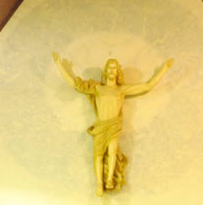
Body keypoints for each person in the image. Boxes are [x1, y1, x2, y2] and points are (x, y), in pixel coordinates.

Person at [52, 52, 174, 196]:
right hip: (101, 126)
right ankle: (99, 183)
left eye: (114, 69)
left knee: (112, 151)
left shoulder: (120, 90)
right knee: (97, 155)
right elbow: (74, 83)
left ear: (117, 73)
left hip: (114, 125)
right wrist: (59, 65)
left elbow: (146, 86)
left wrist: (164, 69)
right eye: (109, 68)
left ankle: (109, 179)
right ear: (105, 71)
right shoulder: (97, 88)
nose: (111, 71)